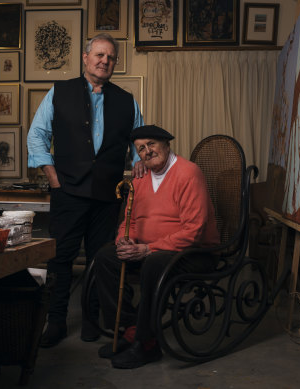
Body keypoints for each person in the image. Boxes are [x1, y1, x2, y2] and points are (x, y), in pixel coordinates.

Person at [27, 33, 146, 348]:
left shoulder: (126, 100)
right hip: (67, 192)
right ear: (85, 57)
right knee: (61, 259)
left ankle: (92, 320)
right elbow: (37, 134)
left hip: (108, 197)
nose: (105, 61)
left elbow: (140, 144)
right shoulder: (59, 92)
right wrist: (54, 178)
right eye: (99, 55)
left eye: (111, 57)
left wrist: (138, 168)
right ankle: (56, 322)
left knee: (100, 260)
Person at [93, 125, 220, 369]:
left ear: (166, 144)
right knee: (106, 257)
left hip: (194, 253)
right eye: (141, 148)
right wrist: (124, 240)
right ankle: (132, 329)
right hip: (151, 250)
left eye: (151, 144)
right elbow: (129, 219)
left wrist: (147, 249)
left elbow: (194, 230)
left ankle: (146, 344)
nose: (147, 151)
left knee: (153, 263)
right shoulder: (140, 178)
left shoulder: (188, 173)